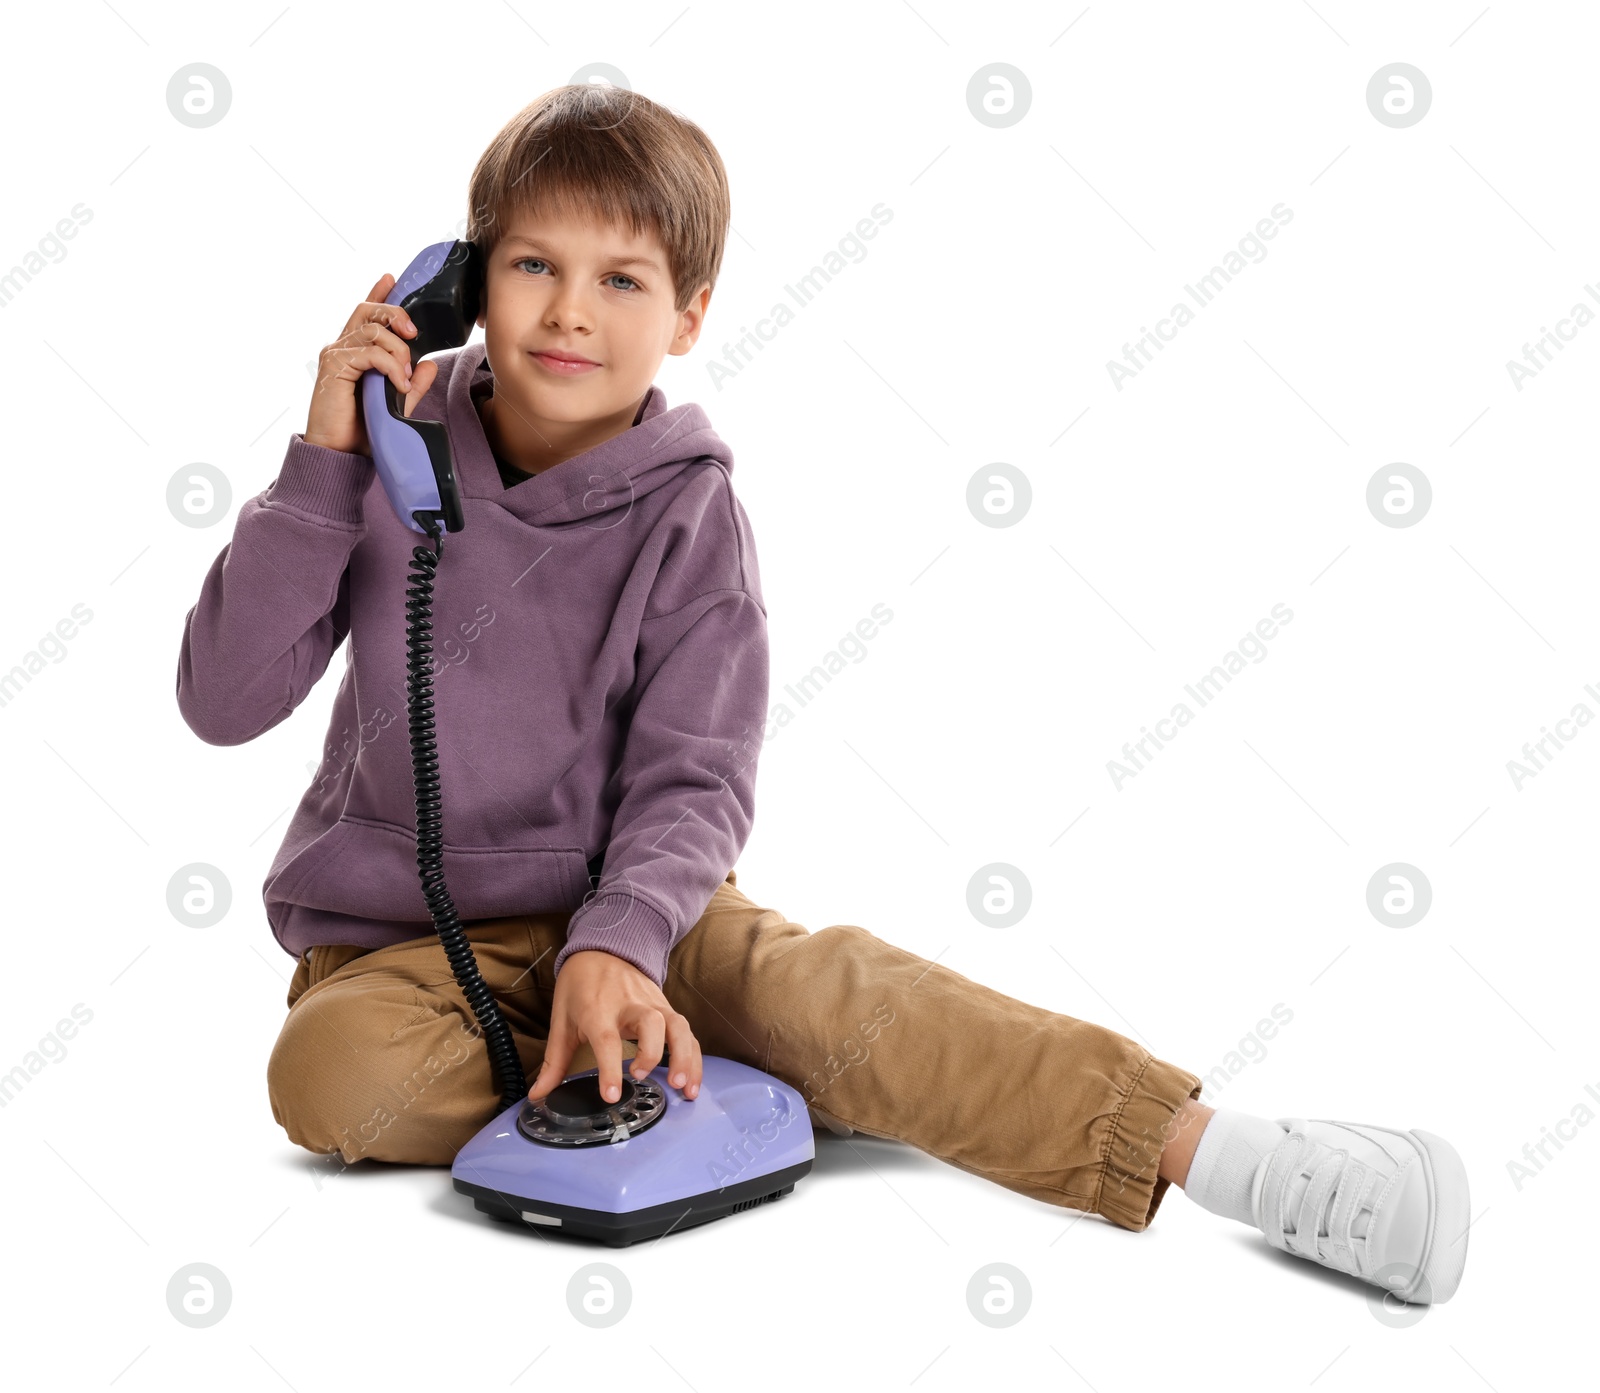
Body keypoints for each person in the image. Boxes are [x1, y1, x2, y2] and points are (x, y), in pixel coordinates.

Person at [175, 84, 1469, 1305]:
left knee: (827, 992)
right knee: (330, 1083)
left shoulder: (688, 512)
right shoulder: (382, 456)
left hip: (640, 914)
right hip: (411, 956)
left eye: (621, 280)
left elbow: (695, 771)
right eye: (533, 266)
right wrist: (329, 459)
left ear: (687, 313)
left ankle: (1222, 1151)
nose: (570, 312)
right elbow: (223, 701)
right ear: (463, 281)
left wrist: (621, 940)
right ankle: (745, 1070)